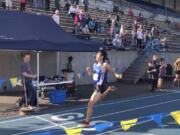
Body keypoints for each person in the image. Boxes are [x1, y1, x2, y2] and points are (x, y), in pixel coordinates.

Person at [81, 49, 122, 127]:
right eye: (96, 55)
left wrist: (116, 75)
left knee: (90, 103)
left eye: (98, 55)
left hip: (100, 86)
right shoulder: (94, 65)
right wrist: (89, 71)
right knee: (96, 101)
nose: (96, 56)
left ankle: (87, 122)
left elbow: (111, 70)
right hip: (95, 85)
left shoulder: (105, 65)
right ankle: (108, 90)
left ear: (102, 56)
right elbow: (93, 76)